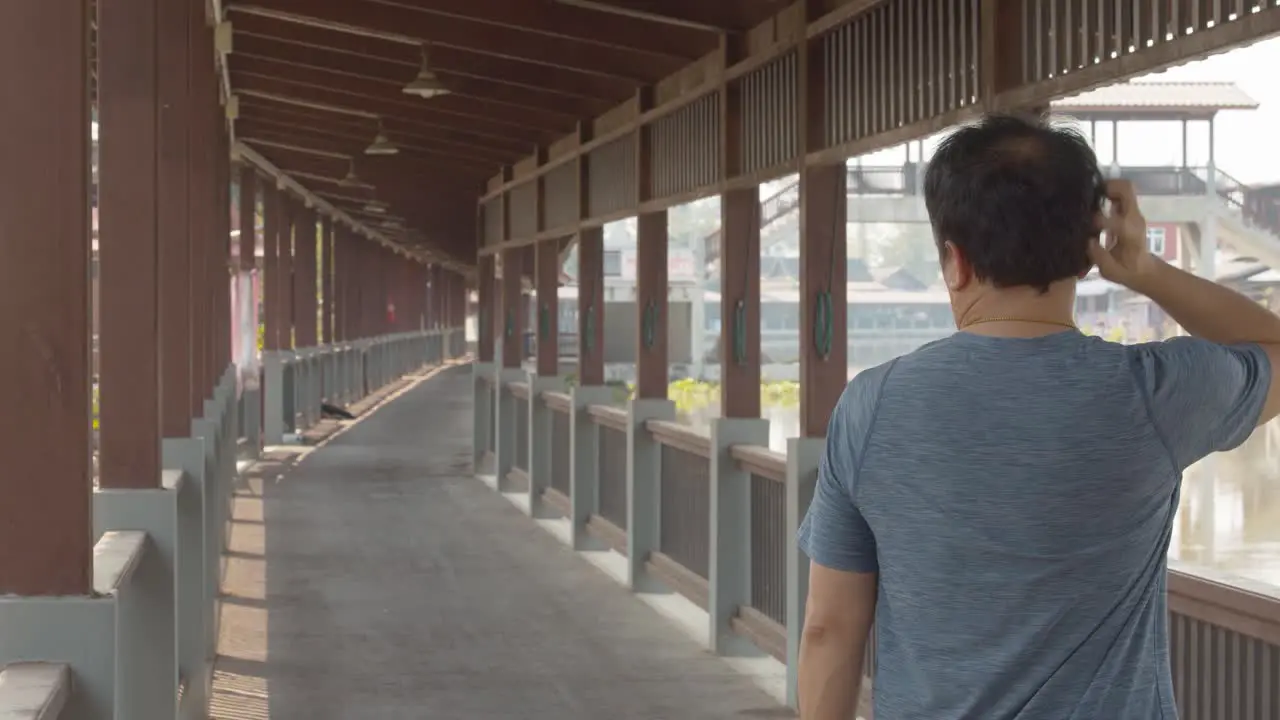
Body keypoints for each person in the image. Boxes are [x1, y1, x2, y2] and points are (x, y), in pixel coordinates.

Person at [795, 114, 1280, 719]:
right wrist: (1148, 272)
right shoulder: (1154, 394)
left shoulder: (870, 406)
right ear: (1085, 260)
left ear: (954, 261)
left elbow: (828, 630)